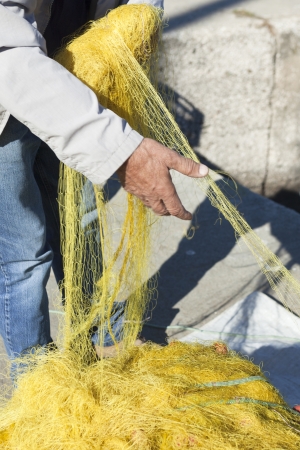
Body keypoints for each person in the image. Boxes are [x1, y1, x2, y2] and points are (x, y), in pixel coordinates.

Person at [0, 0, 209, 368]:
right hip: (8, 91)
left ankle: (100, 330)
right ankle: (35, 376)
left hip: (75, 77)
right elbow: (10, 53)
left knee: (80, 218)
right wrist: (121, 151)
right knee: (24, 253)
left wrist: (143, 15)